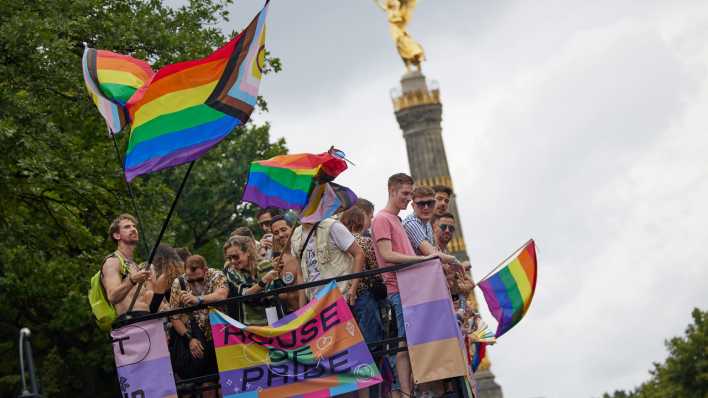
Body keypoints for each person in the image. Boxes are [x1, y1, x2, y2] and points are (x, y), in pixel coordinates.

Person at [371, 174, 434, 398]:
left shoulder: (396, 220)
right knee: (404, 342)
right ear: (391, 190)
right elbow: (387, 255)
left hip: (409, 288)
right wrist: (422, 260)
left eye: (410, 193)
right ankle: (405, 392)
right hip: (398, 288)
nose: (409, 198)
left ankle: (407, 390)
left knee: (409, 341)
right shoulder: (381, 219)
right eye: (405, 194)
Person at [340, 206, 386, 398]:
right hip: (365, 295)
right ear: (360, 221)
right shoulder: (364, 241)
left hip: (345, 297)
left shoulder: (340, 244)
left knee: (354, 346)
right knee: (372, 345)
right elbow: (376, 269)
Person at [168, 255, 228, 396]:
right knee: (206, 385)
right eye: (191, 280)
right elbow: (173, 316)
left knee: (226, 381)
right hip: (197, 339)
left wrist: (198, 299)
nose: (195, 283)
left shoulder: (215, 275)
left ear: (205, 270)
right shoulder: (179, 283)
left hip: (221, 335)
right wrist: (189, 339)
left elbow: (222, 294)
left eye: (199, 279)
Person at [101, 214, 170, 320]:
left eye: (134, 226)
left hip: (149, 319)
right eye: (127, 227)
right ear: (117, 236)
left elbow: (149, 299)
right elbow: (112, 297)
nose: (133, 229)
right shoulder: (113, 261)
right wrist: (132, 280)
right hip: (131, 322)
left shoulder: (136, 266)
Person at [291, 216, 365, 307]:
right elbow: (300, 274)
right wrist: (302, 308)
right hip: (316, 303)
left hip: (342, 297)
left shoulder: (332, 226)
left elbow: (359, 254)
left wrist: (353, 289)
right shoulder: (296, 235)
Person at [223, 236, 279, 325]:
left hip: (273, 319)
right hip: (249, 325)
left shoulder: (266, 265)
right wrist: (263, 281)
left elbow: (271, 294)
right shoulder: (231, 271)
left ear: (247, 252)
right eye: (229, 258)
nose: (233, 261)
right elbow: (245, 294)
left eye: (235, 256)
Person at [402, 186, 459, 265]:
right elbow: (433, 254)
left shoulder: (427, 224)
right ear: (413, 206)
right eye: (421, 204)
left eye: (446, 201)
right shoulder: (412, 223)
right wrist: (454, 261)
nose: (443, 204)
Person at [270, 215, 300, 313]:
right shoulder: (278, 261)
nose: (281, 235)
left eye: (283, 229)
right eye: (276, 233)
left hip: (313, 310)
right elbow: (281, 295)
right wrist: (276, 276)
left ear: (293, 228)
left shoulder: (304, 250)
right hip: (292, 315)